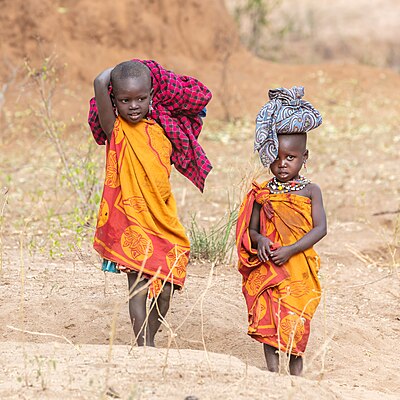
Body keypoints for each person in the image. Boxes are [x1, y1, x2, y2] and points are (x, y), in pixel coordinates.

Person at [91, 60, 212, 346]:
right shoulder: (116, 129)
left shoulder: (163, 129)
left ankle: (148, 337)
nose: (133, 105)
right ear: (114, 101)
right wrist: (130, 67)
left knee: (169, 284)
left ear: (151, 96)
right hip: (134, 221)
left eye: (141, 98)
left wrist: (144, 74)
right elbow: (99, 81)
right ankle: (145, 345)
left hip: (163, 217)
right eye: (125, 99)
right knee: (138, 287)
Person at [236, 86, 326, 375]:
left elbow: (321, 228)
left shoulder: (311, 190)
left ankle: (296, 373)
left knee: (297, 316)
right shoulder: (263, 193)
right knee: (271, 313)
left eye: (291, 157)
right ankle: (272, 373)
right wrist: (260, 239)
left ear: (304, 156)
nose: (282, 163)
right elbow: (251, 230)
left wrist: (290, 249)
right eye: (277, 156)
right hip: (272, 266)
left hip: (298, 265)